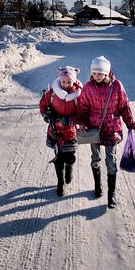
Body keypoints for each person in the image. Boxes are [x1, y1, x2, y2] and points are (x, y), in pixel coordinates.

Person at [78, 55, 135, 209]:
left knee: (111, 161)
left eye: (100, 73)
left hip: (112, 129)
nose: (97, 76)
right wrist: (83, 122)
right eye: (94, 73)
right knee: (95, 158)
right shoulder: (88, 87)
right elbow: (83, 108)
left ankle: (111, 194)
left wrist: (130, 123)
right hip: (94, 129)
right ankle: (98, 186)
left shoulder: (117, 86)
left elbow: (124, 106)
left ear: (106, 73)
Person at [39, 66, 83, 196]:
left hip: (70, 131)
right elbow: (43, 105)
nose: (66, 84)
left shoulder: (78, 95)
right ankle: (60, 182)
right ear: (60, 81)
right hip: (56, 130)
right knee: (58, 158)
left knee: (70, 156)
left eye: (69, 82)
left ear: (74, 81)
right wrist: (46, 115)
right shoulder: (52, 93)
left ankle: (69, 168)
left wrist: (73, 120)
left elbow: (82, 112)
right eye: (64, 82)